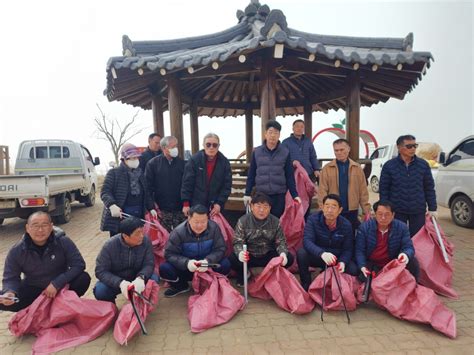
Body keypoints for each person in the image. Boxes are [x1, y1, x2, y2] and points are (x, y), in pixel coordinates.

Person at [0, 212, 90, 312]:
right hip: (34, 288)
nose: (40, 230)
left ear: (51, 226)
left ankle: (63, 306)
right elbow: (10, 278)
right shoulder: (17, 250)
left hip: (61, 288)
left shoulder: (63, 241)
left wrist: (57, 283)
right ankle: (40, 308)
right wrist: (10, 292)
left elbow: (78, 265)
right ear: (27, 228)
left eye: (44, 225)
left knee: (83, 278)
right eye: (35, 225)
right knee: (3, 299)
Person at [159, 204, 231, 297]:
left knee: (225, 264)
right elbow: (169, 254)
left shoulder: (214, 228)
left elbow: (221, 249)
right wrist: (186, 263)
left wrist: (207, 261)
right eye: (196, 222)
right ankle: (181, 286)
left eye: (203, 222)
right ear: (189, 219)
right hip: (187, 269)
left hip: (207, 267)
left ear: (208, 219)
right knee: (165, 268)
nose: (200, 225)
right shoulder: (178, 232)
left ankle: (214, 285)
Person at [230, 192, 294, 286]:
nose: (261, 210)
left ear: (270, 208)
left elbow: (281, 241)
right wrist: (240, 253)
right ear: (251, 206)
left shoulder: (275, 222)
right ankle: (245, 273)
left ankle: (271, 274)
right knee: (232, 258)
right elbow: (237, 241)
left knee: (289, 258)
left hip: (267, 254)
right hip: (250, 255)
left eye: (265, 207)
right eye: (258, 206)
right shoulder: (243, 221)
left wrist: (283, 253)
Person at [379, 134, 437, 237]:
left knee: (418, 238)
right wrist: (385, 207)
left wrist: (433, 208)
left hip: (418, 209)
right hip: (397, 210)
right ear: (399, 147)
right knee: (396, 237)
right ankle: (399, 253)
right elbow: (384, 189)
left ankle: (415, 254)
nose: (413, 149)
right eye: (409, 146)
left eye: (415, 145)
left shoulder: (423, 165)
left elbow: (429, 187)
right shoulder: (389, 166)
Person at [297, 194, 357, 291]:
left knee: (353, 270)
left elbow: (348, 248)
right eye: (327, 206)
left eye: (334, 207)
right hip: (319, 255)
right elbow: (307, 241)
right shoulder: (313, 219)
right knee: (301, 253)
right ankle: (306, 283)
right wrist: (322, 253)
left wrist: (343, 262)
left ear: (340, 210)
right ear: (322, 207)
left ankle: (333, 285)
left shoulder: (346, 225)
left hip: (335, 258)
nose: (330, 210)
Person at [94, 217, 158, 303]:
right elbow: (100, 271)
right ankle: (111, 308)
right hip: (117, 279)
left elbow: (149, 263)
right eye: (137, 234)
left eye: (142, 231)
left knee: (154, 279)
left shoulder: (145, 241)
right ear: (125, 236)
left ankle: (142, 303)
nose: (141, 236)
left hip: (137, 277)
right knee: (100, 290)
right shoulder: (110, 246)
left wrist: (141, 277)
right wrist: (120, 283)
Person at [244, 120, 301, 218]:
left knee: (277, 222)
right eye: (270, 132)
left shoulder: (285, 152)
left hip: (279, 194)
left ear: (279, 135)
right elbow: (252, 174)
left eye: (276, 133)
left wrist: (295, 195)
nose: (273, 135)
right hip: (261, 194)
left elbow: (289, 175)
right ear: (265, 134)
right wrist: (247, 193)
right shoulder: (257, 152)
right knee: (261, 221)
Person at [100, 143, 156, 237]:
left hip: (138, 213)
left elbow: (146, 193)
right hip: (121, 214)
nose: (135, 160)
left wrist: (151, 208)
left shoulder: (140, 173)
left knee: (136, 238)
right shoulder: (114, 173)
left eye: (137, 158)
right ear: (124, 159)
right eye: (132, 158)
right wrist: (111, 205)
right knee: (120, 241)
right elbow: (105, 191)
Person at [355, 200, 420, 280]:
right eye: (380, 214)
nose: (383, 218)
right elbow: (359, 250)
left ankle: (413, 286)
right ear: (375, 214)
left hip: (392, 262)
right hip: (372, 263)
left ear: (393, 215)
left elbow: (408, 247)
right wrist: (362, 266)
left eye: (387, 214)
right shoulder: (364, 228)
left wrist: (405, 254)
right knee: (363, 277)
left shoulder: (402, 227)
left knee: (413, 263)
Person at [319, 138, 370, 233]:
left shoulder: (357, 168)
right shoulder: (327, 168)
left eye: (342, 150)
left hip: (352, 209)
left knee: (350, 236)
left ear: (348, 149)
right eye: (336, 150)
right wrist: (323, 209)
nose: (339, 153)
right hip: (334, 209)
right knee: (335, 235)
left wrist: (366, 210)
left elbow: (363, 191)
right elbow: (322, 190)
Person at [181, 133, 232, 218]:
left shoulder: (224, 162)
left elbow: (226, 186)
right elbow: (187, 183)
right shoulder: (194, 161)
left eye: (214, 145)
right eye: (208, 144)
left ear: (218, 146)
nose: (211, 147)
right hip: (196, 204)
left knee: (214, 230)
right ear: (203, 145)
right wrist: (185, 204)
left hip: (215, 206)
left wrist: (219, 203)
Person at [145, 136, 186, 232]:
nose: (175, 149)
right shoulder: (153, 164)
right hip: (161, 208)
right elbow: (148, 187)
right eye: (172, 147)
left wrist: (187, 203)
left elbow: (187, 185)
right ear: (163, 148)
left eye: (176, 146)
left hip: (180, 207)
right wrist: (151, 206)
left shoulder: (183, 164)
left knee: (180, 234)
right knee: (163, 235)